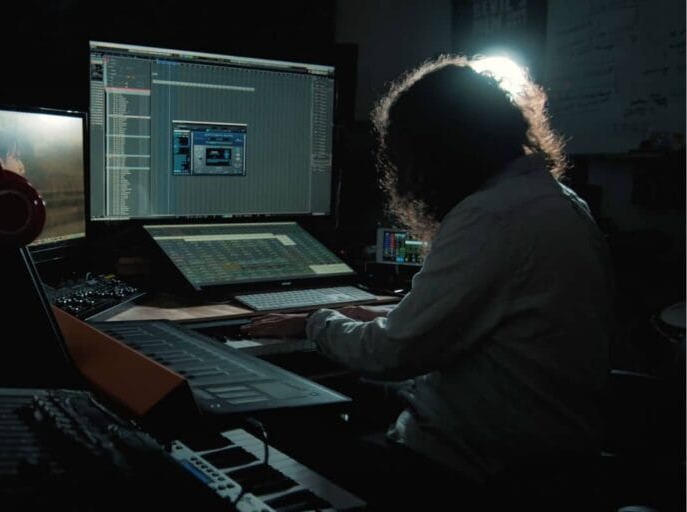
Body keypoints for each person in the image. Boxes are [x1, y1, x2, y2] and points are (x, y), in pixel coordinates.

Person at [242, 55, 614, 508]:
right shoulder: (555, 199)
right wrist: (382, 314)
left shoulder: (491, 216)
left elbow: (390, 354)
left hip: (474, 472)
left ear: (438, 151)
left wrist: (314, 323)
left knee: (284, 433)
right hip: (549, 457)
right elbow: (483, 318)